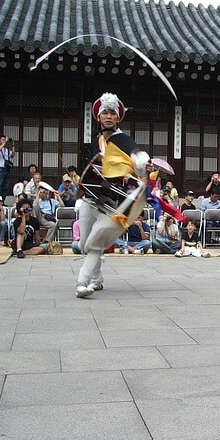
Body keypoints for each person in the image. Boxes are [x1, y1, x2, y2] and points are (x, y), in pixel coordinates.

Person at [77, 92, 150, 298]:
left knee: (96, 242)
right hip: (91, 197)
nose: (108, 116)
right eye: (105, 113)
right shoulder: (94, 141)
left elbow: (138, 156)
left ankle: (82, 282)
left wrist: (144, 163)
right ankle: (97, 279)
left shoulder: (124, 140)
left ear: (118, 117)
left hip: (113, 203)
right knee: (84, 243)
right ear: (99, 117)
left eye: (112, 113)